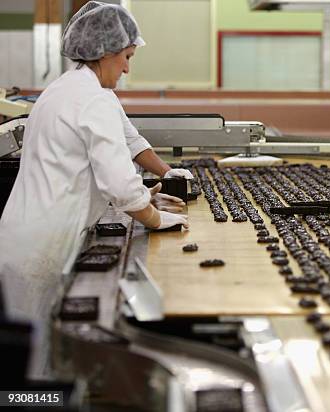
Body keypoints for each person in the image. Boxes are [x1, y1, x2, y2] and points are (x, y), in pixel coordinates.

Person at [0, 1, 188, 376]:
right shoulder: (91, 99)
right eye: (126, 57)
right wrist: (156, 219)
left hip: (27, 234)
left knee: (39, 353)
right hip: (43, 245)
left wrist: (170, 175)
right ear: (106, 52)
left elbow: (131, 140)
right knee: (35, 363)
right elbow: (121, 185)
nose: (127, 68)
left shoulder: (74, 89)